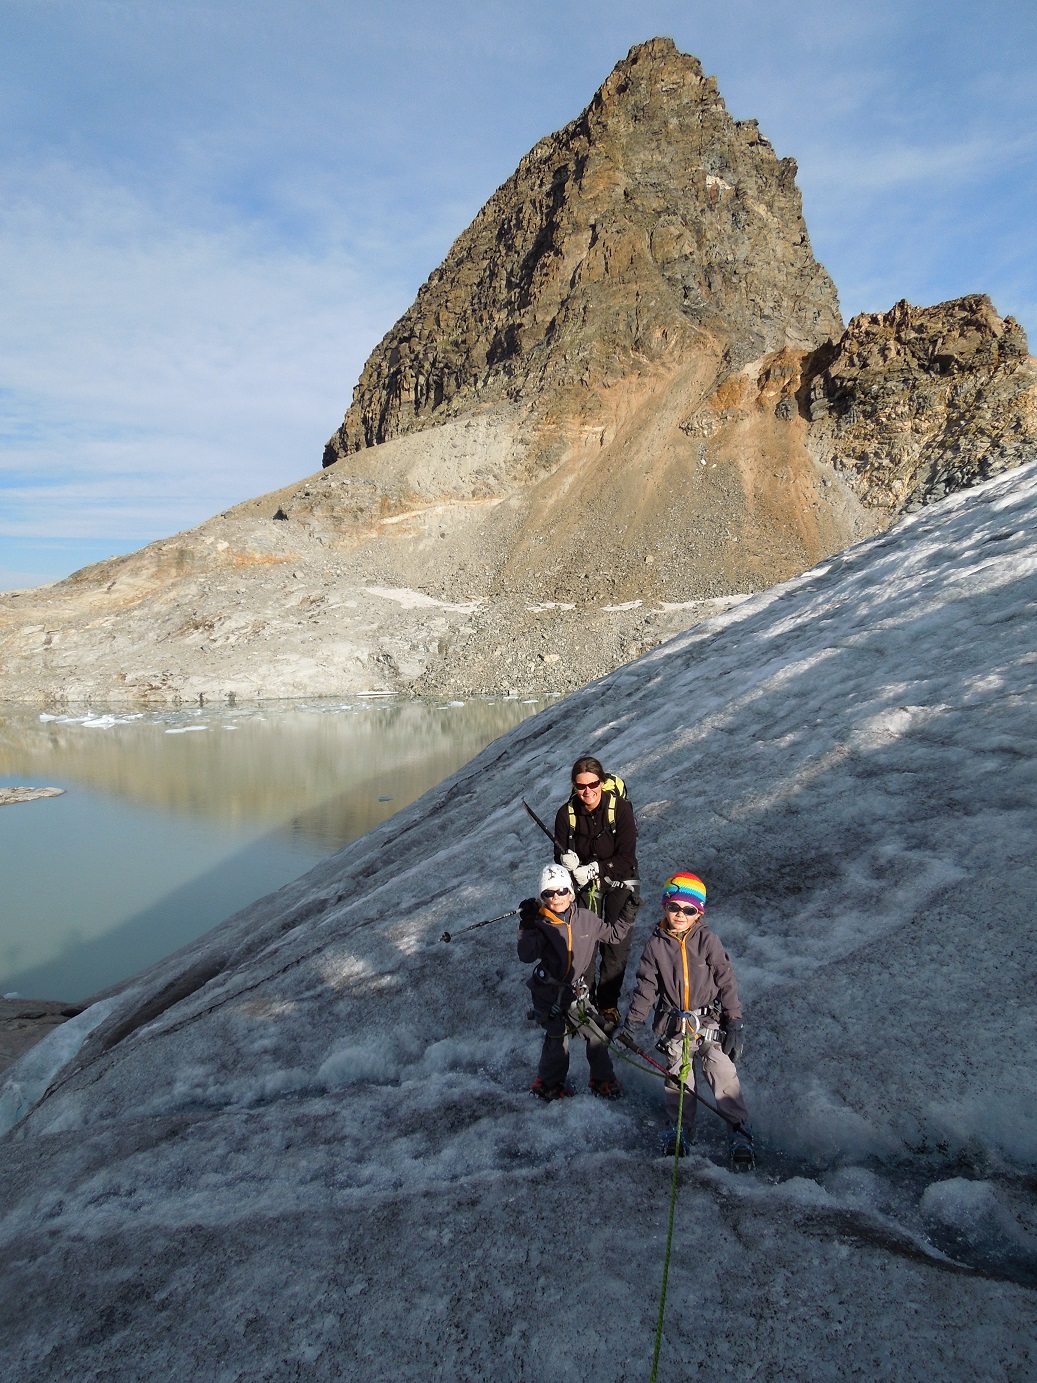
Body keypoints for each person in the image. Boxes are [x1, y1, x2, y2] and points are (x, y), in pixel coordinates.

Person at [618, 871, 754, 1168]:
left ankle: (739, 1130)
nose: (680, 914)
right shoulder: (655, 946)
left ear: (698, 913)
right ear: (664, 906)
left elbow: (726, 980)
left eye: (689, 910)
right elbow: (646, 988)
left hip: (708, 1025)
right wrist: (633, 1025)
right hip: (674, 1028)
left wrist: (735, 1021)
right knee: (679, 1081)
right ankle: (679, 1130)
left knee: (724, 1074)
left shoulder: (708, 941)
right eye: (674, 907)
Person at [518, 862, 633, 1101]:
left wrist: (627, 915)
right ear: (543, 896)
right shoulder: (540, 924)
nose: (556, 897)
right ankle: (548, 1084)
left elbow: (613, 935)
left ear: (571, 892)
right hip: (547, 995)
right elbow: (526, 955)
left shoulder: (587, 919)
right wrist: (527, 925)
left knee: (597, 1035)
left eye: (561, 891)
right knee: (559, 1038)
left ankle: (602, 1079)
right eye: (549, 893)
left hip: (575, 994)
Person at [554, 755, 640, 1029]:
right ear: (574, 786)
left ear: (602, 783)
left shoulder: (621, 810)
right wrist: (565, 861)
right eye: (581, 786)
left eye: (593, 784)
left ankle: (608, 1004)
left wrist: (594, 869)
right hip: (584, 886)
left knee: (616, 945)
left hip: (619, 881)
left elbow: (627, 857)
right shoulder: (566, 814)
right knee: (584, 944)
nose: (587, 791)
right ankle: (584, 1001)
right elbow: (559, 851)